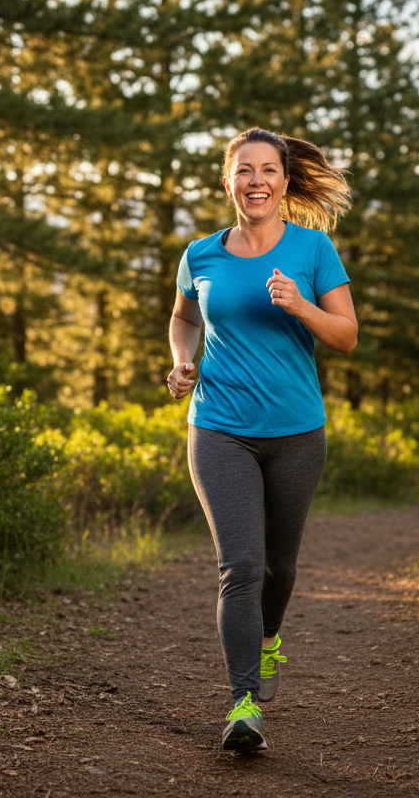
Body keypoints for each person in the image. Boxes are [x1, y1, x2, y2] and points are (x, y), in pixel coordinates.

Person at [166, 128, 357, 753]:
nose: (256, 181)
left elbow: (347, 335)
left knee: (279, 566)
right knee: (240, 566)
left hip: (297, 433)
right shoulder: (201, 254)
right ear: (229, 182)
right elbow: (183, 316)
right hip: (218, 427)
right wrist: (181, 360)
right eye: (244, 170)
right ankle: (243, 702)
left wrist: (302, 306)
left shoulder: (313, 249)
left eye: (268, 170)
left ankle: (270, 636)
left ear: (284, 181)